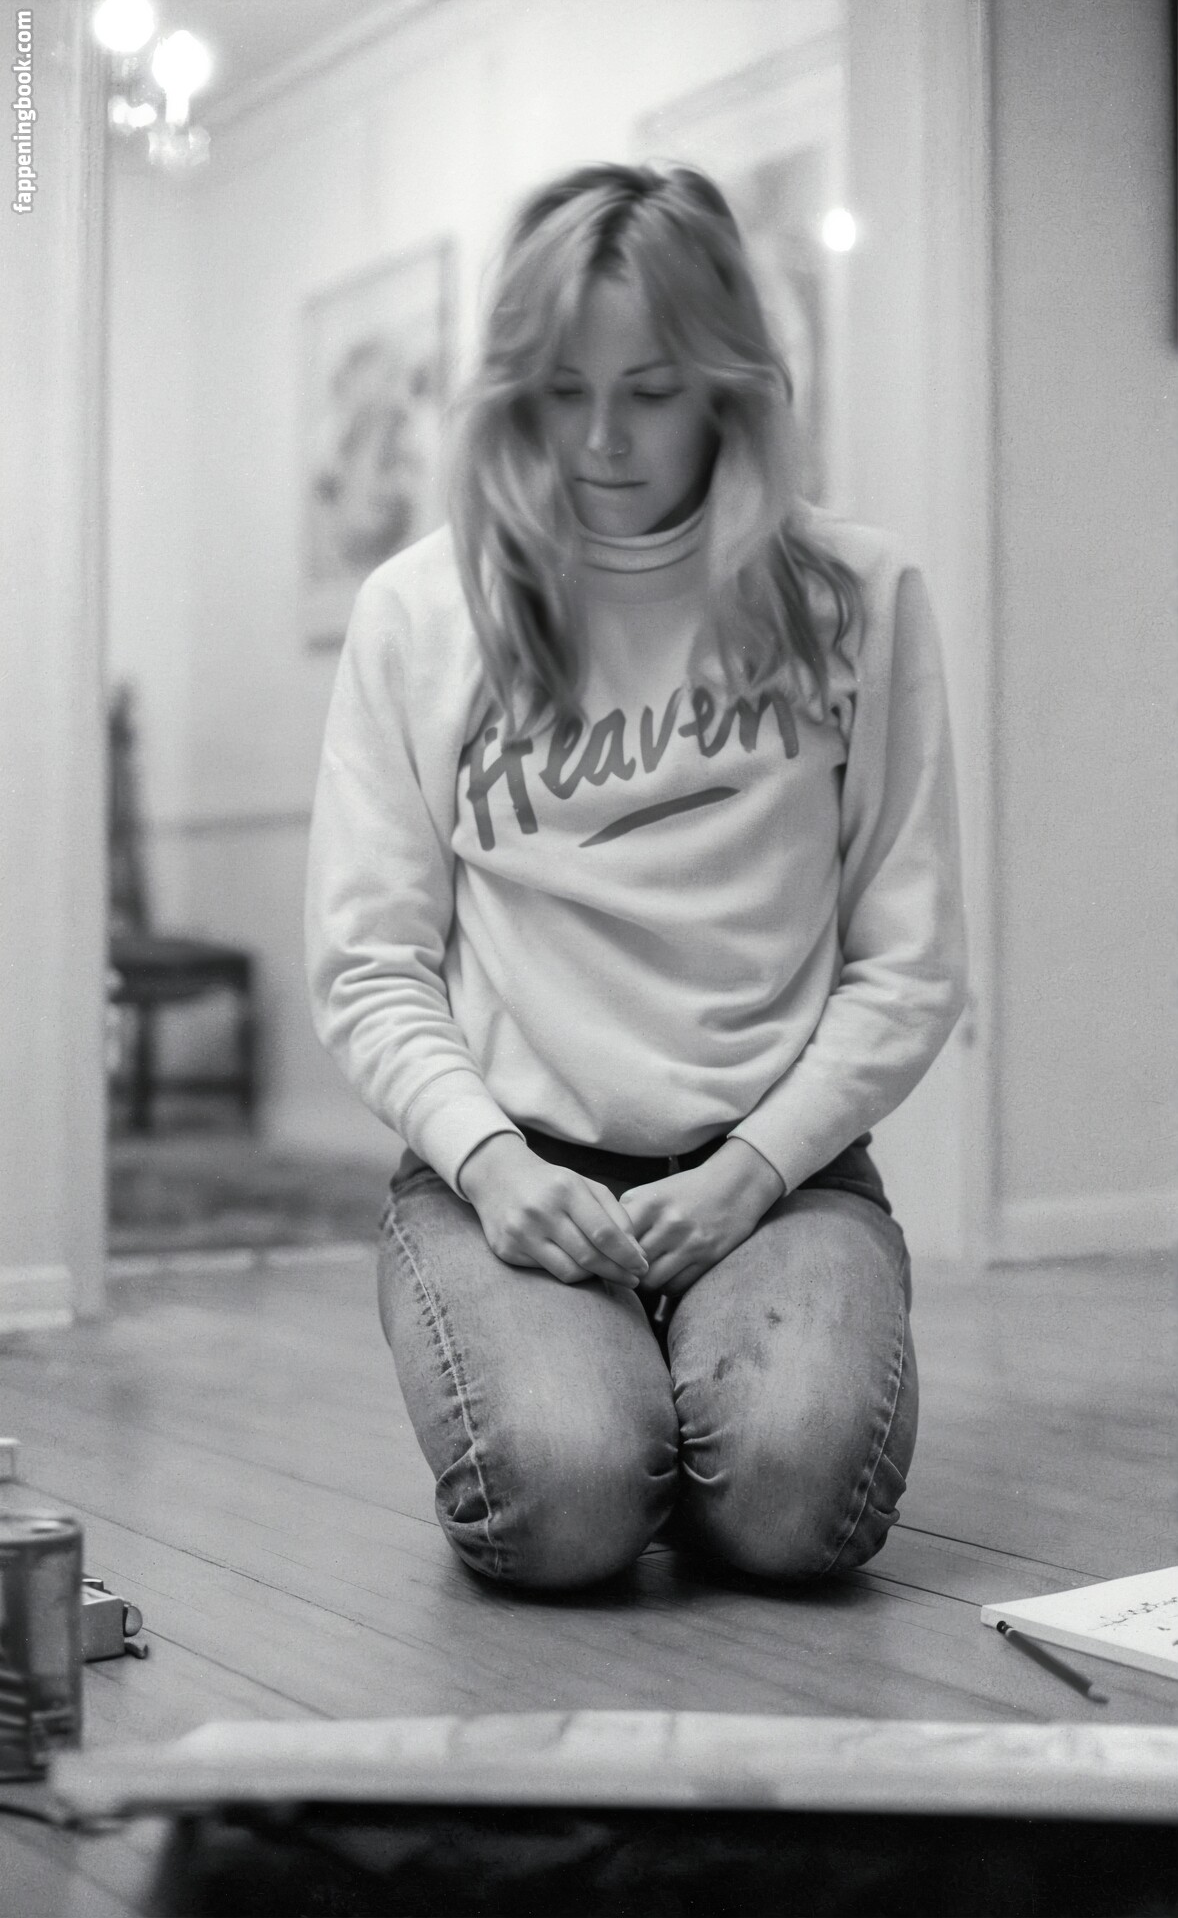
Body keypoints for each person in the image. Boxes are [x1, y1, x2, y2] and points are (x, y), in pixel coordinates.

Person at [305, 162, 967, 1591]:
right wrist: (487, 1163)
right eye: (561, 390)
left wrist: (752, 1173)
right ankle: (625, 1419)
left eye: (652, 392)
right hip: (507, 1170)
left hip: (779, 1173)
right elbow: (370, 962)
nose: (601, 439)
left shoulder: (857, 598)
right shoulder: (420, 609)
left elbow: (908, 962)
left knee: (798, 1508)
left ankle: (685, 1407)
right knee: (563, 1505)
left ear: (728, 386)